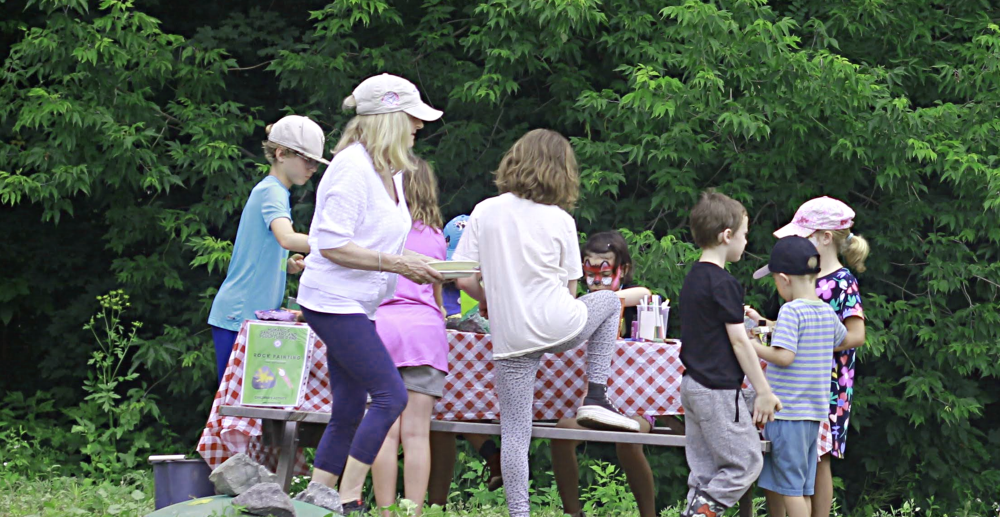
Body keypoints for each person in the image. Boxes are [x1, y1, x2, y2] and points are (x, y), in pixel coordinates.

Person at [454, 129, 639, 517]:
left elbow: (464, 278)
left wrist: (491, 300)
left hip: (511, 338)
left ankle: (519, 513)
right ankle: (596, 394)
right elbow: (570, 287)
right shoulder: (560, 219)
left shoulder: (485, 210)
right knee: (607, 299)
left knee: (516, 434)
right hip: (559, 324)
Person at [293, 73, 445, 515]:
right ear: (389, 119)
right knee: (391, 396)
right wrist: (398, 264)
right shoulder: (351, 169)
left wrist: (415, 263)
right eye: (413, 119)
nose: (419, 127)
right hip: (332, 302)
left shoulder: (390, 170)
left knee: (348, 409)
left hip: (360, 302)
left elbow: (381, 238)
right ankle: (346, 499)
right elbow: (331, 244)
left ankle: (314, 501)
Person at [745, 196, 869, 517]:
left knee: (816, 462)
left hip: (826, 388)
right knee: (792, 471)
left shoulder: (842, 282)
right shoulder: (808, 288)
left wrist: (807, 345)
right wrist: (764, 324)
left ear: (825, 238)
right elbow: (797, 333)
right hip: (805, 390)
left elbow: (855, 335)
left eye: (803, 235)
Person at [678, 189, 781, 517]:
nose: (746, 242)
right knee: (746, 463)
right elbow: (739, 343)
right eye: (744, 235)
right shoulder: (723, 284)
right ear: (726, 236)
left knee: (706, 472)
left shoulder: (693, 279)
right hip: (717, 391)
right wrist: (763, 391)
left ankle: (696, 510)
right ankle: (700, 514)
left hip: (692, 387)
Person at [207, 115, 327, 384]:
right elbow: (286, 237)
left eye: (315, 163)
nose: (312, 168)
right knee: (236, 410)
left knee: (249, 408)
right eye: (307, 159)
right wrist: (336, 245)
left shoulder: (274, 191)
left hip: (250, 316)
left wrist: (287, 264)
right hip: (238, 315)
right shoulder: (272, 191)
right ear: (281, 153)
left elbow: (265, 248)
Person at [552, 230, 656, 517]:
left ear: (623, 269)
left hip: (635, 406)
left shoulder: (630, 297)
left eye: (605, 270)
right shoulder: (577, 308)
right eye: (590, 269)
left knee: (629, 441)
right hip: (590, 406)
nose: (596, 278)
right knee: (561, 432)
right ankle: (574, 513)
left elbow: (644, 293)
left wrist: (608, 299)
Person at [370, 157, 450, 516]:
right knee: (417, 434)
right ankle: (415, 512)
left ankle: (385, 511)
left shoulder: (380, 231)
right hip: (424, 335)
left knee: (385, 432)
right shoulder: (435, 235)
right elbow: (436, 298)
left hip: (382, 330)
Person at [749, 236, 847, 517]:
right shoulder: (826, 312)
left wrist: (752, 345)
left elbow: (784, 356)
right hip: (814, 416)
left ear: (783, 279)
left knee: (789, 491)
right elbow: (839, 339)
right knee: (801, 489)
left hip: (787, 413)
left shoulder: (791, 310)